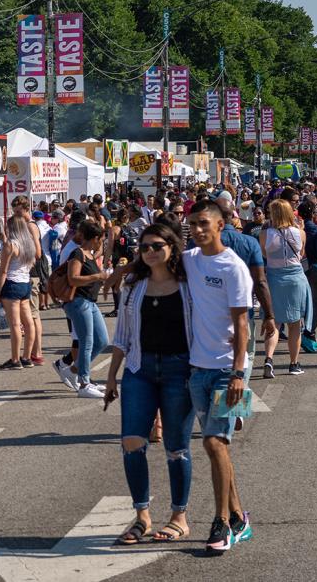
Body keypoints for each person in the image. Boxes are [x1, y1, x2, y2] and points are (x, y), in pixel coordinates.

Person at [104, 222, 195, 544]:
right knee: (131, 442)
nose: (150, 252)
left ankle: (178, 517)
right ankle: (141, 514)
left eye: (157, 245)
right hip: (139, 370)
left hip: (179, 370)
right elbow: (123, 335)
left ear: (171, 247)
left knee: (176, 448)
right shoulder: (133, 284)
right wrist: (112, 375)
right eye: (144, 247)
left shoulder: (188, 283)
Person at [182, 199, 255, 554]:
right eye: (192, 224)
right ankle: (240, 516)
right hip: (198, 369)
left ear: (220, 225)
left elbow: (242, 323)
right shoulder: (189, 260)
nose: (197, 230)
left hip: (231, 370)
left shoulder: (234, 267)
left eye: (203, 224)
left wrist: (240, 373)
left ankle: (222, 522)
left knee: (213, 443)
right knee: (219, 449)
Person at [261, 200, 311, 376]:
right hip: (295, 277)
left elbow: (265, 254)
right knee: (294, 323)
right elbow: (301, 254)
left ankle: (269, 359)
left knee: (273, 322)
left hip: (274, 277)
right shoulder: (300, 233)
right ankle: (294, 363)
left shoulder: (265, 234)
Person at [65, 220, 111, 398]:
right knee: (87, 342)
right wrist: (96, 276)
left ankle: (74, 370)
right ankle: (84, 383)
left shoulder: (90, 254)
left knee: (102, 341)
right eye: (101, 239)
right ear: (96, 238)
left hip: (90, 302)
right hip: (78, 302)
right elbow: (73, 279)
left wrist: (101, 277)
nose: (102, 242)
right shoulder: (77, 254)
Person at [0, 205, 40, 369]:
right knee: (28, 323)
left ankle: (15, 359)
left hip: (12, 283)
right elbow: (34, 261)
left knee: (15, 324)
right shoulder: (28, 244)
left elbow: (3, 271)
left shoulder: (11, 245)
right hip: (25, 283)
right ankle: (27, 357)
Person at [298, 201, 317, 345]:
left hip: (299, 269)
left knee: (303, 302)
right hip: (315, 267)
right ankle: (308, 331)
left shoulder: (296, 230)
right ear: (312, 214)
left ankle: (300, 329)